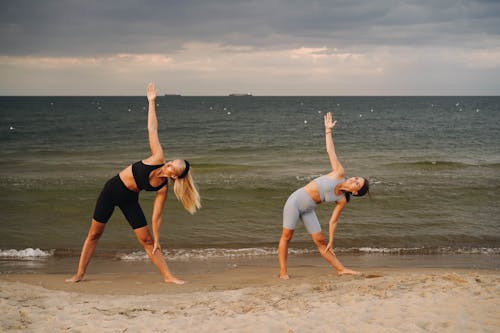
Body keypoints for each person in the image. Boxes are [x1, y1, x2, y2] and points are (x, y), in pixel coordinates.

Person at [66, 83, 201, 284]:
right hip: (112, 190)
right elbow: (152, 129)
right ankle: (79, 274)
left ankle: (168, 276)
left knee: (147, 241)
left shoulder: (162, 188)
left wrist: (157, 239)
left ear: (174, 176)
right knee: (94, 234)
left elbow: (157, 216)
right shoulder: (157, 158)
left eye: (174, 167)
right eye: (173, 161)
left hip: (129, 198)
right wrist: (152, 102)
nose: (170, 163)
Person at [278, 112, 369, 279]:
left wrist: (332, 240)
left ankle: (341, 269)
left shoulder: (341, 200)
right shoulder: (339, 173)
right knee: (287, 236)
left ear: (355, 192)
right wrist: (328, 131)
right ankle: (283, 271)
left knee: (322, 243)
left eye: (357, 183)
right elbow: (330, 151)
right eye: (356, 178)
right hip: (295, 201)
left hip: (308, 210)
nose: (354, 180)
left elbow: (333, 221)